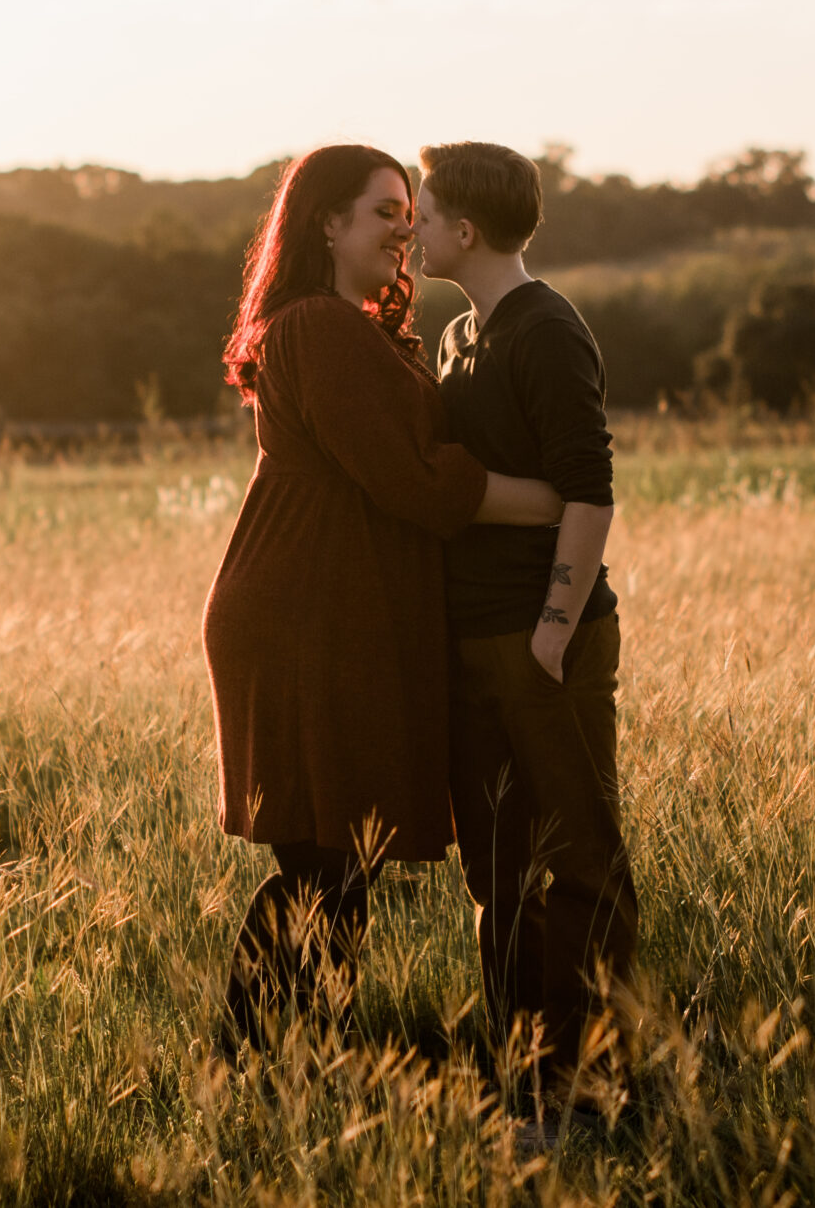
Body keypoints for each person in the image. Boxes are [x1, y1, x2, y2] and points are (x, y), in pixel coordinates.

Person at [202, 143, 567, 1042]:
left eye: (412, 212)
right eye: (384, 211)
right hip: (306, 611)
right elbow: (411, 477)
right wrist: (555, 501)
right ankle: (264, 1057)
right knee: (327, 858)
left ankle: (296, 1053)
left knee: (336, 860)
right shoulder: (319, 327)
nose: (406, 230)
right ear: (327, 221)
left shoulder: (347, 325)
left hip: (335, 604)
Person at [415, 140, 640, 1119]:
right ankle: (522, 1078)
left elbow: (589, 492)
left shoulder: (547, 329)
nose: (411, 230)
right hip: (474, 643)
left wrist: (552, 629)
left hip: (545, 640)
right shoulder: (460, 334)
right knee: (495, 872)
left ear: (463, 230)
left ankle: (585, 1089)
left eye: (419, 214)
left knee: (580, 863)